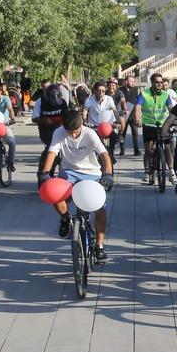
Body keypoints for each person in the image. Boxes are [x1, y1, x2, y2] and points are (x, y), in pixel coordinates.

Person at [39, 109, 114, 262]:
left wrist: (108, 174)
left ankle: (99, 246)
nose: (72, 135)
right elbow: (52, 153)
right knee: (53, 192)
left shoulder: (89, 133)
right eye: (69, 132)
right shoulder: (59, 133)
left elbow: (104, 155)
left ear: (81, 125)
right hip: (68, 173)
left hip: (92, 173)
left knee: (100, 208)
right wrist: (45, 173)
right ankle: (66, 219)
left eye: (76, 131)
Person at [134, 73, 175, 183]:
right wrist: (138, 119)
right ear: (151, 83)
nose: (159, 84)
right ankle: (147, 171)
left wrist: (176, 118)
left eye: (161, 82)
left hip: (163, 125)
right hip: (148, 125)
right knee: (148, 149)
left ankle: (171, 171)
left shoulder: (165, 95)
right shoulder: (144, 94)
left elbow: (171, 108)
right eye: (157, 82)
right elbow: (138, 107)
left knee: (167, 147)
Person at [32, 78, 71, 165]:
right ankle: (45, 170)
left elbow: (67, 116)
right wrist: (43, 120)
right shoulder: (40, 101)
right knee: (50, 147)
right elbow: (34, 118)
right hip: (46, 129)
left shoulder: (63, 102)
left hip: (60, 128)